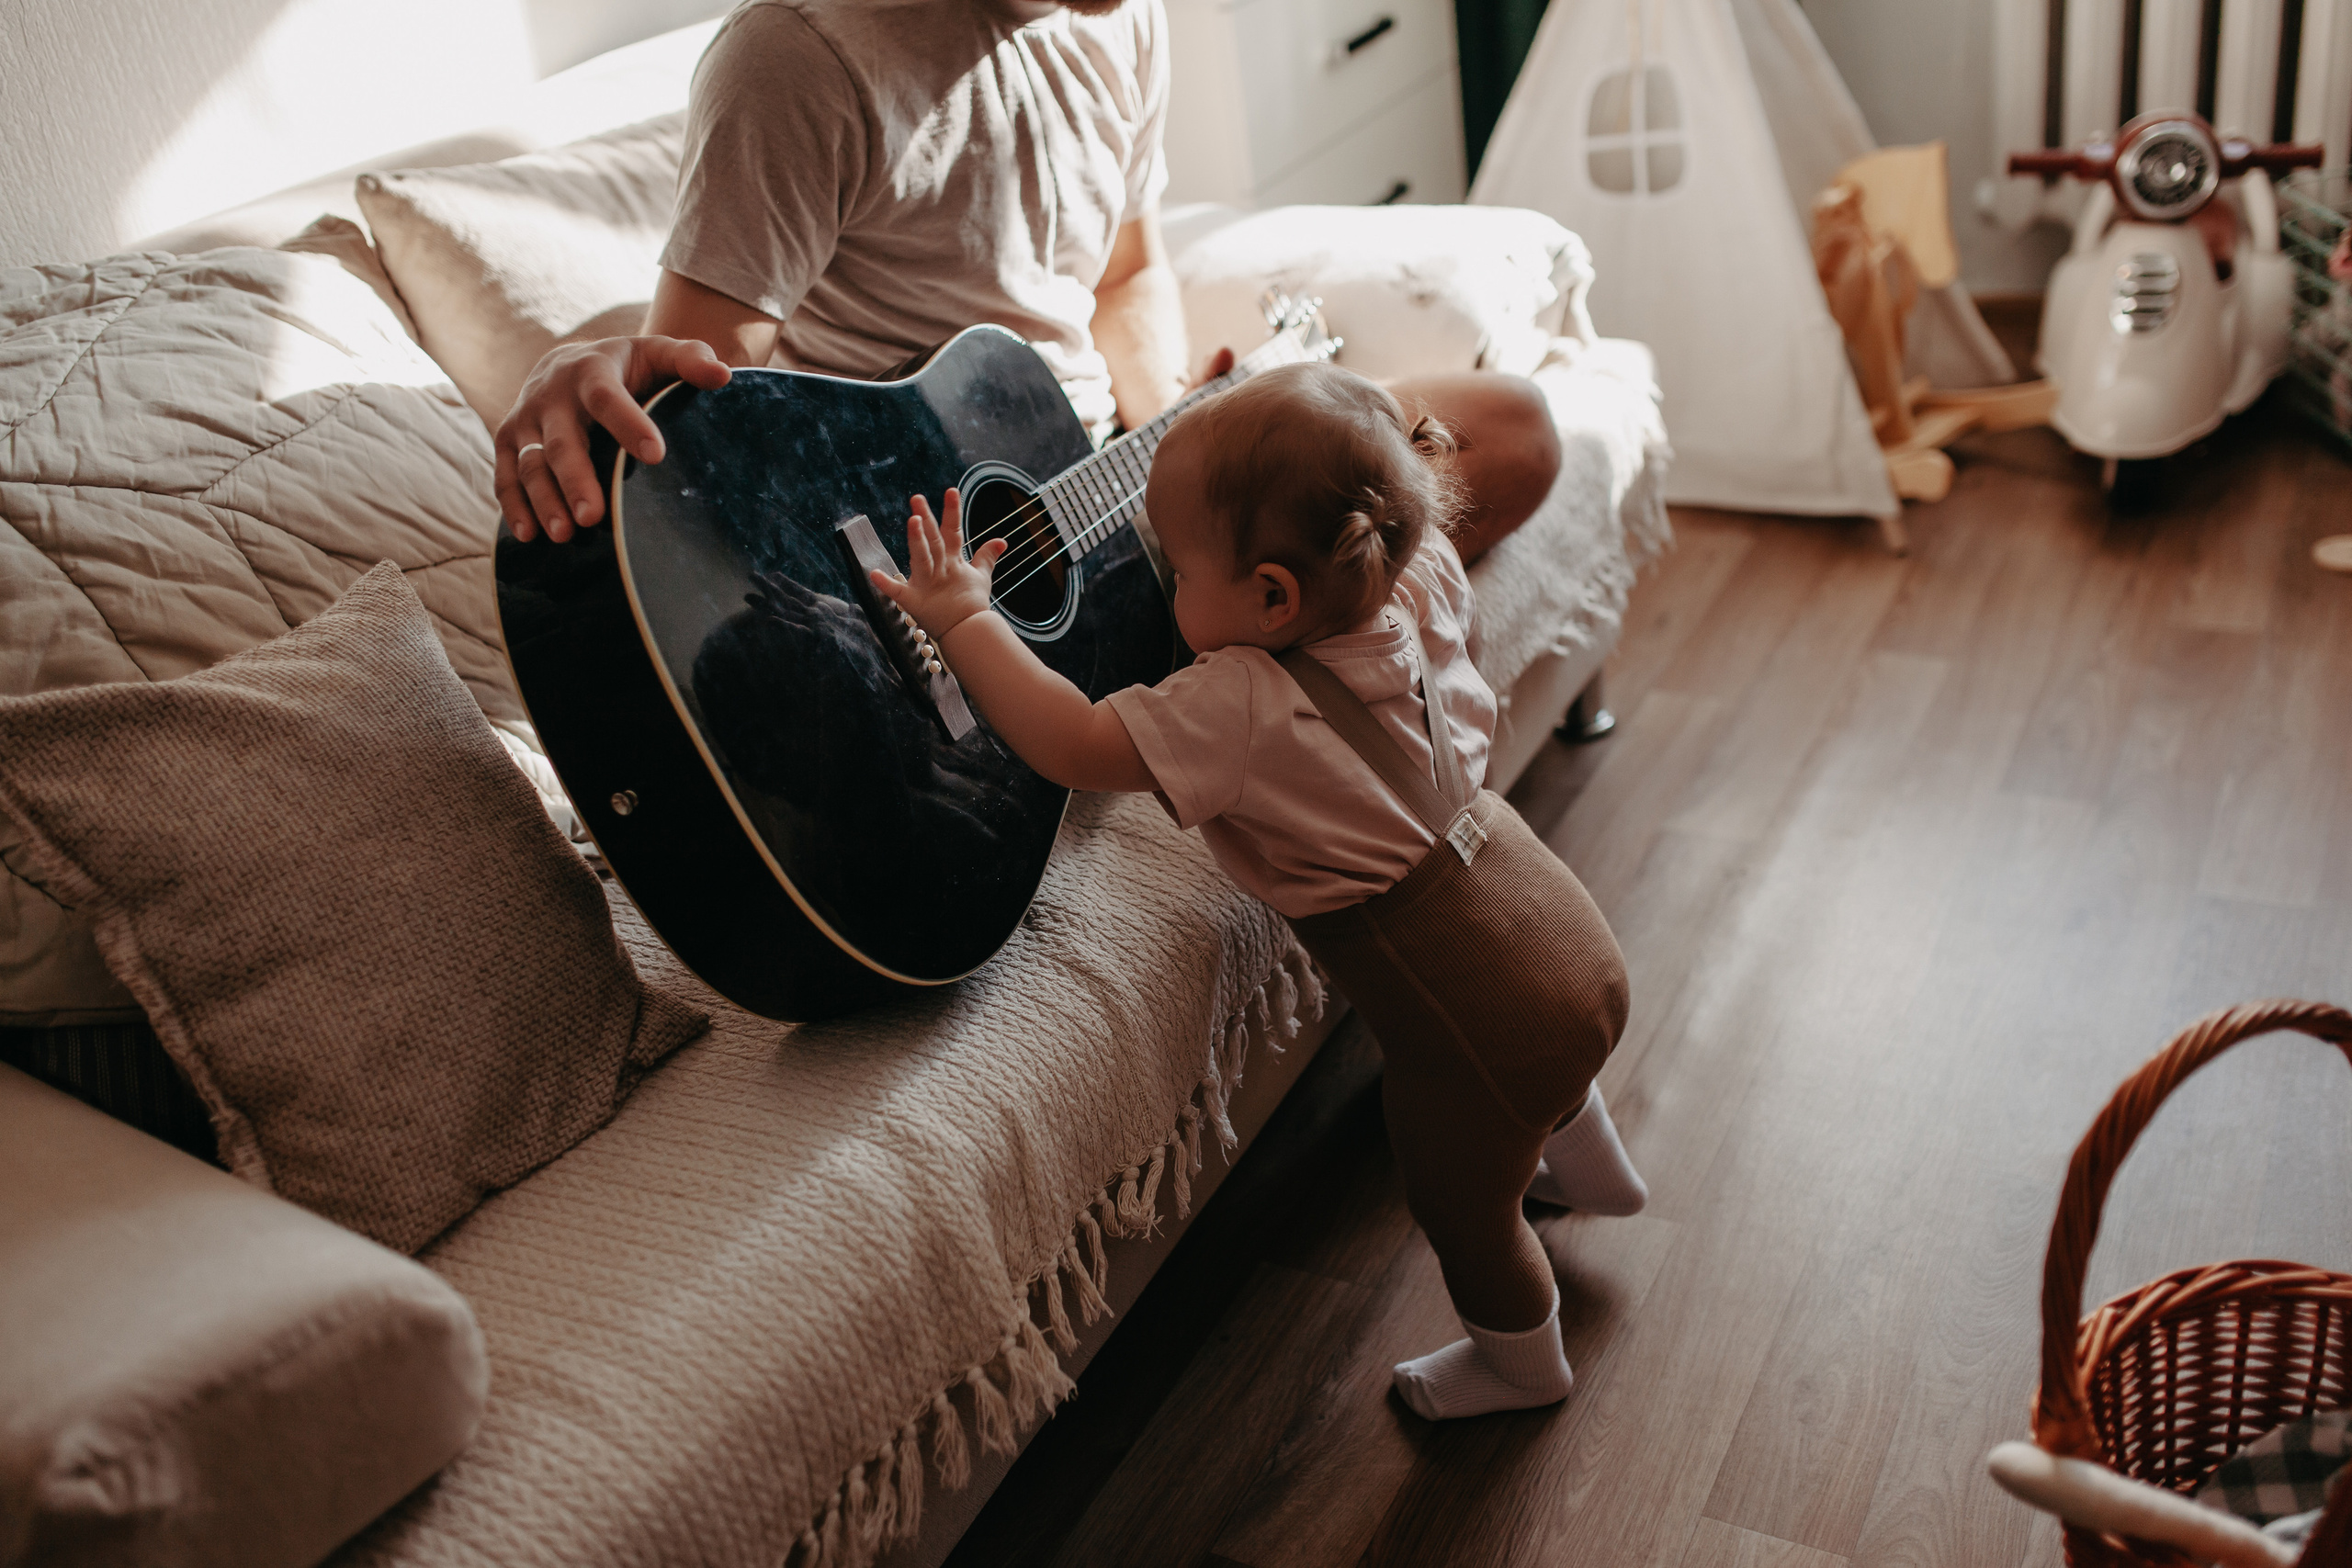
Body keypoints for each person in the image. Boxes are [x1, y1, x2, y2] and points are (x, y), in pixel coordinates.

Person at [869, 359, 1645, 1420]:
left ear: (1273, 596)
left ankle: (1521, 1365)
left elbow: (1073, 741)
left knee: (1461, 1197)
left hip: (1476, 1003)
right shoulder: (1418, 574)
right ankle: (1598, 1174)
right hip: (1555, 920)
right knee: (1547, 1058)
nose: (1165, 586)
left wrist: (965, 620)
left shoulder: (1238, 702)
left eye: (1178, 568)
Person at [491, 0, 1561, 565]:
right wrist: (588, 366)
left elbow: (1126, 272)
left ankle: (1208, 637)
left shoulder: (1120, 18)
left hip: (1111, 474)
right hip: (944, 547)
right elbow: (707, 415)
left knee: (1508, 434)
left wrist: (1174, 420)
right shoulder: (796, 56)